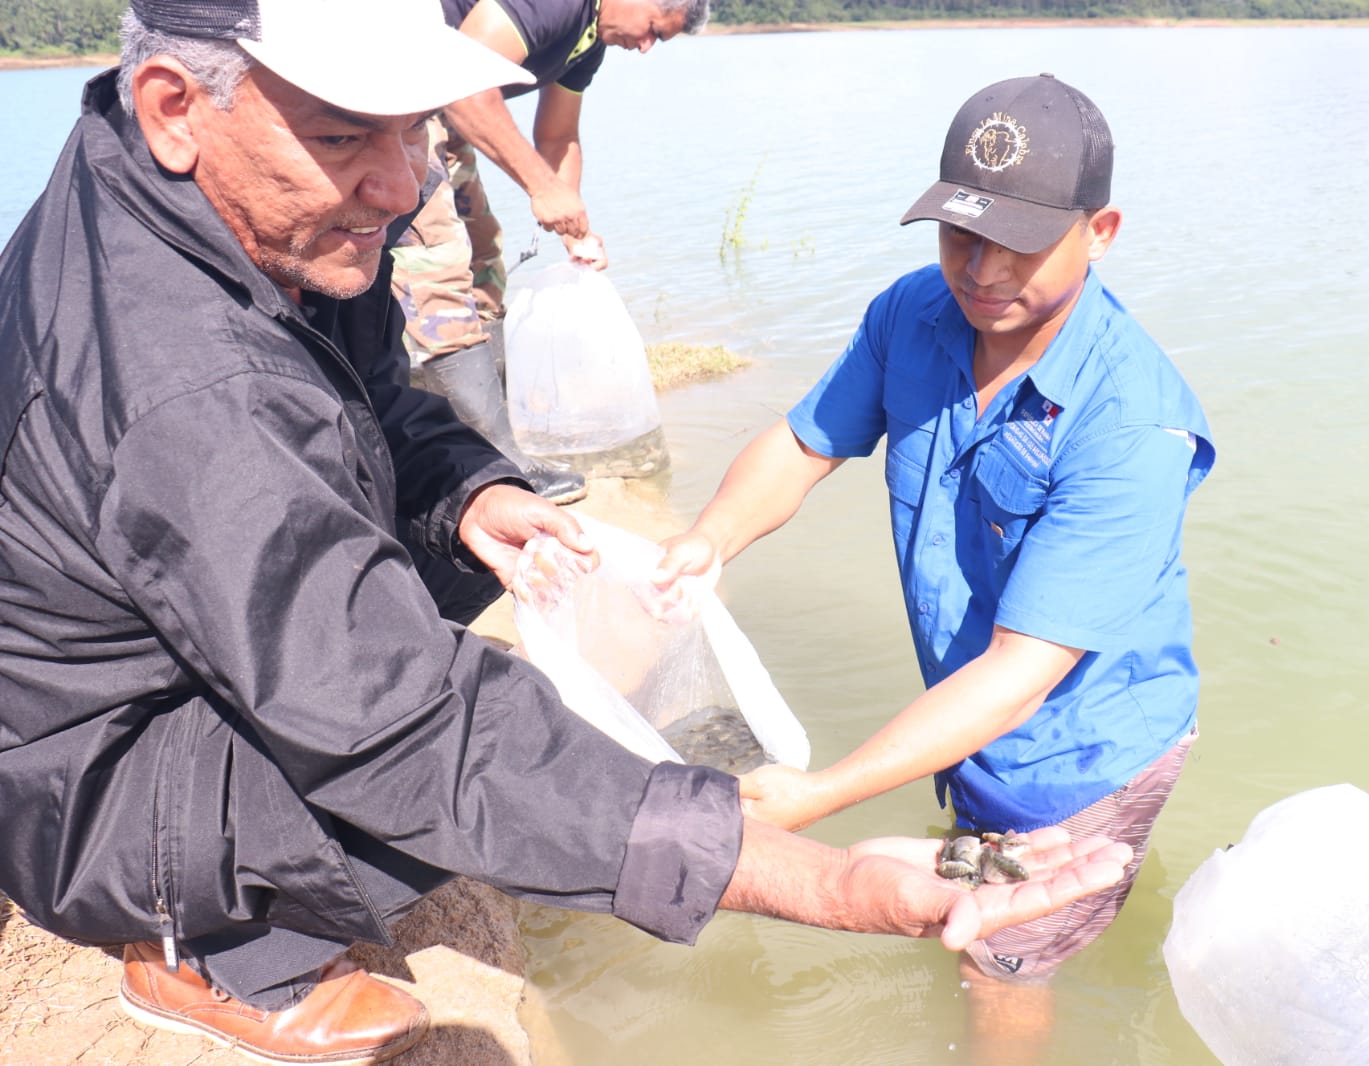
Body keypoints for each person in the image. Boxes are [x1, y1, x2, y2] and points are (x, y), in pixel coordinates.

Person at [0, 7, 1134, 1064]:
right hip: (94, 771)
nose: (397, 186)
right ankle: (204, 948)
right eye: (347, 134)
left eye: (413, 133)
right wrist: (823, 878)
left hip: (129, 638)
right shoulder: (188, 384)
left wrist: (471, 493)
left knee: (489, 701)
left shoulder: (229, 206)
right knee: (443, 792)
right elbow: (404, 723)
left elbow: (373, 397)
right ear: (171, 107)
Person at [653, 75, 1215, 1061]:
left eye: (1022, 243)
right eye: (962, 234)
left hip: (1077, 750)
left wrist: (822, 793)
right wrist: (711, 538)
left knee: (995, 959)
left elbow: (1019, 671)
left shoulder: (1132, 424)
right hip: (972, 715)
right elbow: (802, 446)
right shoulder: (913, 313)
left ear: (1102, 230)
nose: (984, 270)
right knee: (970, 880)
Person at [390, 0, 709, 506]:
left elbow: (558, 136)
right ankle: (497, 465)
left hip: (439, 110)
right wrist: (541, 186)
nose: (645, 47)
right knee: (437, 271)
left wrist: (574, 227)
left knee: (482, 264)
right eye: (653, 30)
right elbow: (463, 76)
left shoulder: (588, 43)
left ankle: (480, 431)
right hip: (394, 93)